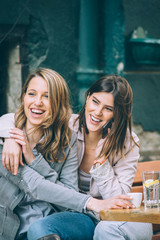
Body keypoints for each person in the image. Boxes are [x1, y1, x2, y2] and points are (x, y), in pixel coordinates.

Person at [0, 69, 135, 240]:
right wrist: (10, 136)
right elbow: (34, 184)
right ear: (24, 96)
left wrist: (34, 160)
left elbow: (113, 199)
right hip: (15, 227)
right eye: (32, 94)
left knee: (41, 230)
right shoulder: (6, 138)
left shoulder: (64, 137)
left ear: (58, 103)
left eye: (47, 97)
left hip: (69, 218)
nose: (38, 102)